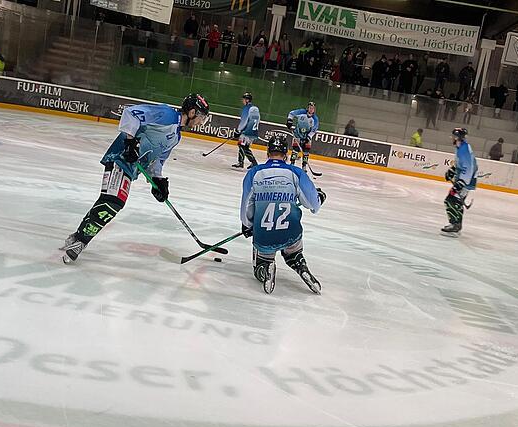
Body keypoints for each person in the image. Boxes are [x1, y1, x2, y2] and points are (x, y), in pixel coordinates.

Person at [60, 94, 211, 264]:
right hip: (119, 158)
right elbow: (131, 113)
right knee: (114, 201)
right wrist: (130, 143)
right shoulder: (167, 114)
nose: (201, 123)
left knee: (111, 200)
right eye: (201, 118)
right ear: (192, 112)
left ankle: (76, 238)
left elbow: (158, 160)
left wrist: (158, 181)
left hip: (130, 169)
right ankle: (81, 241)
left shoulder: (176, 136)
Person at [240, 136, 326, 294]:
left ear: (268, 153)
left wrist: (248, 226)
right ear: (286, 154)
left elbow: (246, 207)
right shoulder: (296, 173)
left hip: (264, 235)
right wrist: (320, 197)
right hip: (290, 233)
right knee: (293, 252)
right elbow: (313, 205)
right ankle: (300, 265)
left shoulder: (254, 173)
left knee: (259, 266)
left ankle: (266, 268)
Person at [441, 128, 477, 235]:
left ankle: (455, 224)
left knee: (451, 200)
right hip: (465, 179)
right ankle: (457, 224)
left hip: (466, 181)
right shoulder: (461, 147)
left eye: (454, 136)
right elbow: (460, 164)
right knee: (455, 201)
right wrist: (452, 171)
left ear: (457, 137)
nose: (452, 138)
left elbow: (469, 168)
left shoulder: (464, 150)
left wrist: (461, 183)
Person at [287, 101, 320, 172]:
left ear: (314, 109)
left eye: (313, 108)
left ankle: (304, 166)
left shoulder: (315, 119)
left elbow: (314, 130)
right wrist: (289, 120)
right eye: (310, 108)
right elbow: (291, 113)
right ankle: (292, 164)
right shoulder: (301, 112)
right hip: (297, 135)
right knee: (295, 150)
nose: (311, 109)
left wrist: (308, 137)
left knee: (306, 152)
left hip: (307, 137)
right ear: (307, 108)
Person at [232, 92, 260, 169]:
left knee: (243, 146)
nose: (242, 101)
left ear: (247, 100)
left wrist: (238, 131)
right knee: (243, 145)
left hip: (246, 132)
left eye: (243, 99)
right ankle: (241, 162)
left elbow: (244, 121)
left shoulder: (246, 108)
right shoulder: (255, 108)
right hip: (253, 131)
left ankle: (253, 162)